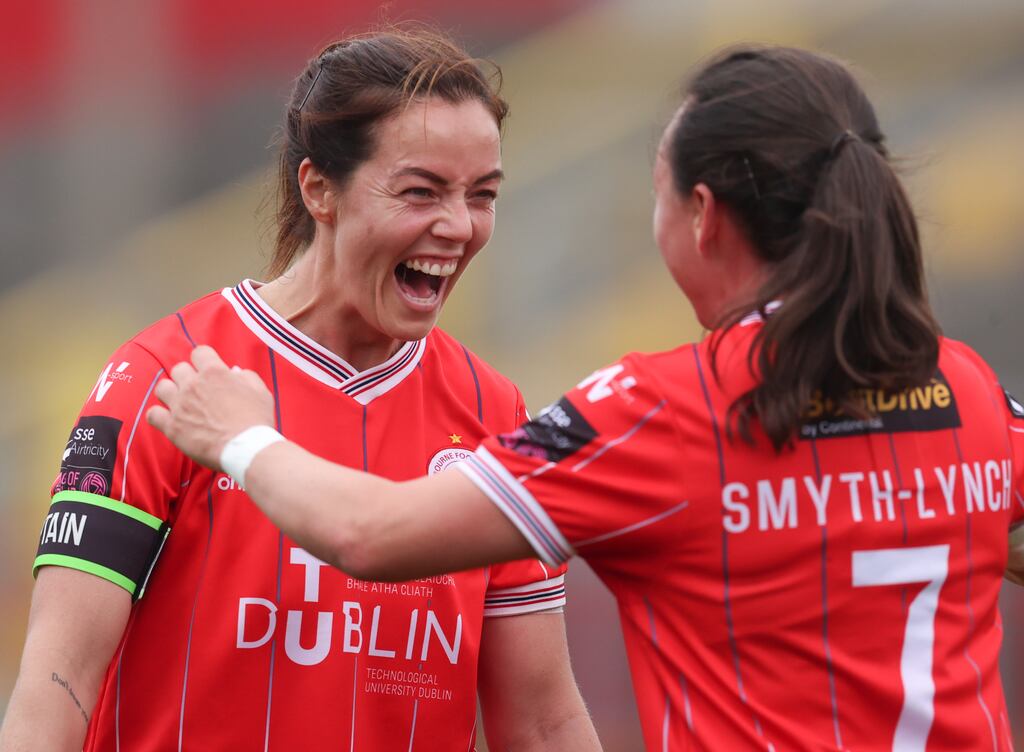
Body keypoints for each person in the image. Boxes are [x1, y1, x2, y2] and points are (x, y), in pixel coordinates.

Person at [143, 44, 1024, 750]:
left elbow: (372, 534)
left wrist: (243, 438)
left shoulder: (665, 409)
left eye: (656, 195)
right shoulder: (971, 392)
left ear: (703, 215)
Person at [0, 26, 601, 752]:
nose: (458, 225)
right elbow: (57, 678)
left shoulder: (494, 412)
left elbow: (540, 721)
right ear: (318, 188)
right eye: (422, 192)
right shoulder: (168, 376)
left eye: (483, 195)